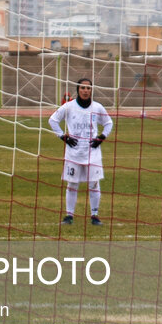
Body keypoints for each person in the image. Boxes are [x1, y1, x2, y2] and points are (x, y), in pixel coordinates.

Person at [49, 77, 114, 226]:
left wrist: (102, 137)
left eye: (88, 88)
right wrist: (63, 137)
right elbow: (52, 120)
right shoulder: (68, 107)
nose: (85, 90)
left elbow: (108, 123)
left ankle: (95, 215)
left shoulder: (97, 107)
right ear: (77, 89)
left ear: (91, 90)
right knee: (72, 184)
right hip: (74, 153)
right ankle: (69, 216)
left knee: (94, 184)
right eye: (82, 88)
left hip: (93, 153)